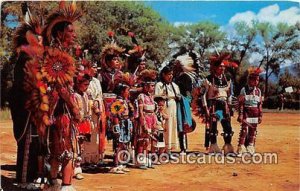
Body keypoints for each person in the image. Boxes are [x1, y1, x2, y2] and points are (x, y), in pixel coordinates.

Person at [201, 53, 237, 155]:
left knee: (228, 127)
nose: (222, 68)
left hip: (224, 105)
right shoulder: (208, 79)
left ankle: (228, 147)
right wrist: (206, 108)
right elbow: (203, 95)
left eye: (223, 66)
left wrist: (229, 106)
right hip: (213, 105)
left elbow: (230, 94)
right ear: (215, 67)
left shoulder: (227, 79)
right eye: (220, 66)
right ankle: (213, 148)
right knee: (213, 127)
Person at [237, 67, 263, 156]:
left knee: (253, 130)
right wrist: (240, 114)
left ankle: (250, 147)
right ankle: (241, 147)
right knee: (244, 130)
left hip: (255, 113)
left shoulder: (258, 91)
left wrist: (260, 115)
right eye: (255, 80)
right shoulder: (244, 90)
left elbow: (259, 104)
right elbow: (240, 103)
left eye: (258, 80)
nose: (256, 82)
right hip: (246, 112)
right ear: (250, 80)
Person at [155, 66, 181, 155]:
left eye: (172, 74)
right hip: (163, 109)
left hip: (173, 109)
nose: (171, 76)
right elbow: (156, 98)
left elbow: (178, 95)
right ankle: (161, 150)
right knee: (164, 128)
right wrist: (160, 112)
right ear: (163, 74)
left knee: (172, 127)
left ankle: (169, 150)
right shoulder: (159, 85)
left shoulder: (174, 85)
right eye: (169, 74)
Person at [109, 81, 134, 174]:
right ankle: (115, 165)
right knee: (119, 145)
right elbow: (115, 115)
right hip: (120, 124)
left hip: (126, 124)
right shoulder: (117, 102)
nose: (128, 92)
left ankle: (121, 164)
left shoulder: (125, 101)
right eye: (127, 90)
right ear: (122, 92)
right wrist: (116, 128)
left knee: (125, 144)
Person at [136, 69, 158, 168]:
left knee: (148, 141)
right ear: (145, 86)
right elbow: (140, 111)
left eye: (153, 85)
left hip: (151, 119)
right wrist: (143, 123)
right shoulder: (141, 96)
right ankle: (140, 160)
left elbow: (153, 110)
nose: (153, 88)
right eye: (151, 86)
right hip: (144, 119)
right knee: (142, 140)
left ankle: (147, 159)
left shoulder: (151, 97)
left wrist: (155, 122)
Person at [86, 62, 107, 165]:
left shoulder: (97, 81)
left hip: (99, 110)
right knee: (88, 133)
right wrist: (94, 107)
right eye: (93, 67)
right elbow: (88, 95)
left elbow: (100, 95)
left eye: (96, 67)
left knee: (97, 134)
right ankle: (85, 160)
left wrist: (100, 108)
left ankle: (95, 159)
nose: (95, 69)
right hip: (88, 110)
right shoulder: (84, 80)